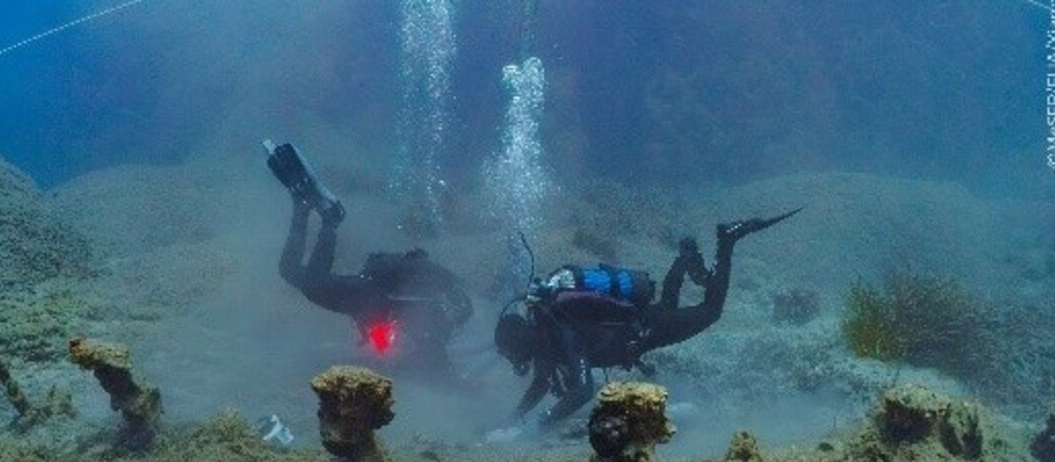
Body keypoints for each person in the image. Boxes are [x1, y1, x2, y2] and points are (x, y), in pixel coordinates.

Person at [494, 208, 801, 426]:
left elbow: (583, 390)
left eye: (514, 354)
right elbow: (540, 384)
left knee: (711, 311)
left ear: (523, 341)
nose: (516, 362)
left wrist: (541, 425)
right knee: (667, 304)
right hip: (643, 320)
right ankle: (685, 257)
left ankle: (728, 239)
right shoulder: (547, 332)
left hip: (647, 328)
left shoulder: (562, 335)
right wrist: (510, 420)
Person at [265, 139, 473, 371]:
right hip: (365, 297)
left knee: (290, 272)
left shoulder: (424, 310)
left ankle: (301, 209)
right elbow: (396, 343)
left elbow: (389, 338)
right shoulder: (426, 318)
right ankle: (330, 221)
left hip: (363, 293)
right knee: (313, 284)